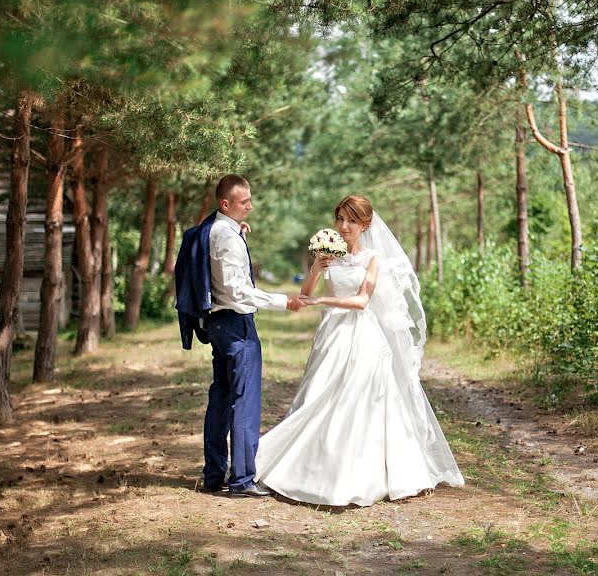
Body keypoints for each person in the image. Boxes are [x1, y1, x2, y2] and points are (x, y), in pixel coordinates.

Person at [254, 195, 464, 506]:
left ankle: (361, 473)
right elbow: (305, 293)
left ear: (365, 225)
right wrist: (315, 268)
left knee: (362, 399)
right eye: (340, 219)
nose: (344, 226)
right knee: (318, 398)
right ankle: (310, 467)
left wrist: (324, 302)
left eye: (351, 220)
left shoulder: (372, 258)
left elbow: (362, 301)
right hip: (332, 336)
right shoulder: (330, 255)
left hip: (362, 335)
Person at [175, 174, 304, 498]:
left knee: (220, 399)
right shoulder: (228, 238)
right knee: (243, 402)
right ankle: (243, 479)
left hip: (216, 326)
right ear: (225, 204)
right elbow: (237, 292)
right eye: (244, 202)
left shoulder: (212, 230)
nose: (250, 206)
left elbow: (219, 255)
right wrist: (282, 301)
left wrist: (238, 231)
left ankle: (213, 474)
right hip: (235, 324)